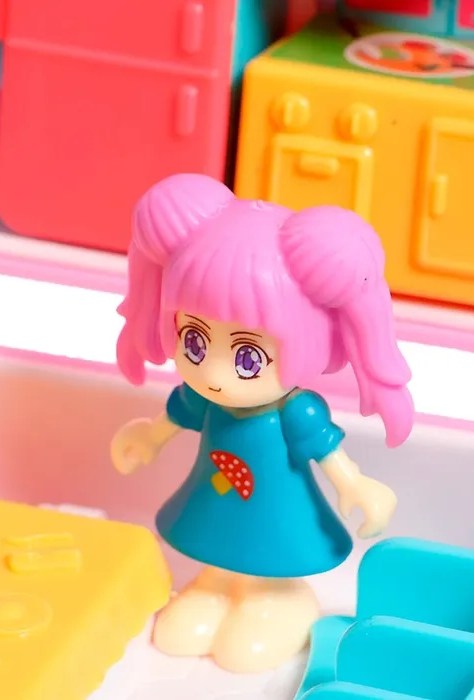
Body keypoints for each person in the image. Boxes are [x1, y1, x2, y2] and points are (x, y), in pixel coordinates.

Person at [111, 173, 414, 674]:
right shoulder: (203, 399)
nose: (213, 375)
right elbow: (176, 414)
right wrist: (149, 436)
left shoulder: (297, 411)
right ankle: (217, 586)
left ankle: (273, 598)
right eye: (194, 341)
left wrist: (355, 484)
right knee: (206, 569)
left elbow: (326, 452)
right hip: (216, 499)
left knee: (264, 562)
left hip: (277, 515)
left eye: (247, 357)